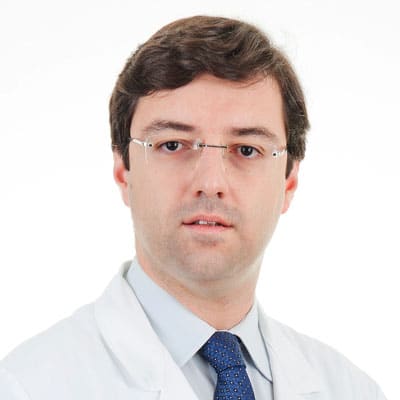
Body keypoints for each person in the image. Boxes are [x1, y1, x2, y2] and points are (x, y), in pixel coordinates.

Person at [0, 15, 386, 400]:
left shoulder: (352, 391)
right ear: (123, 172)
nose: (211, 183)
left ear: (289, 182)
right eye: (172, 145)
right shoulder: (28, 387)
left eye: (247, 149)